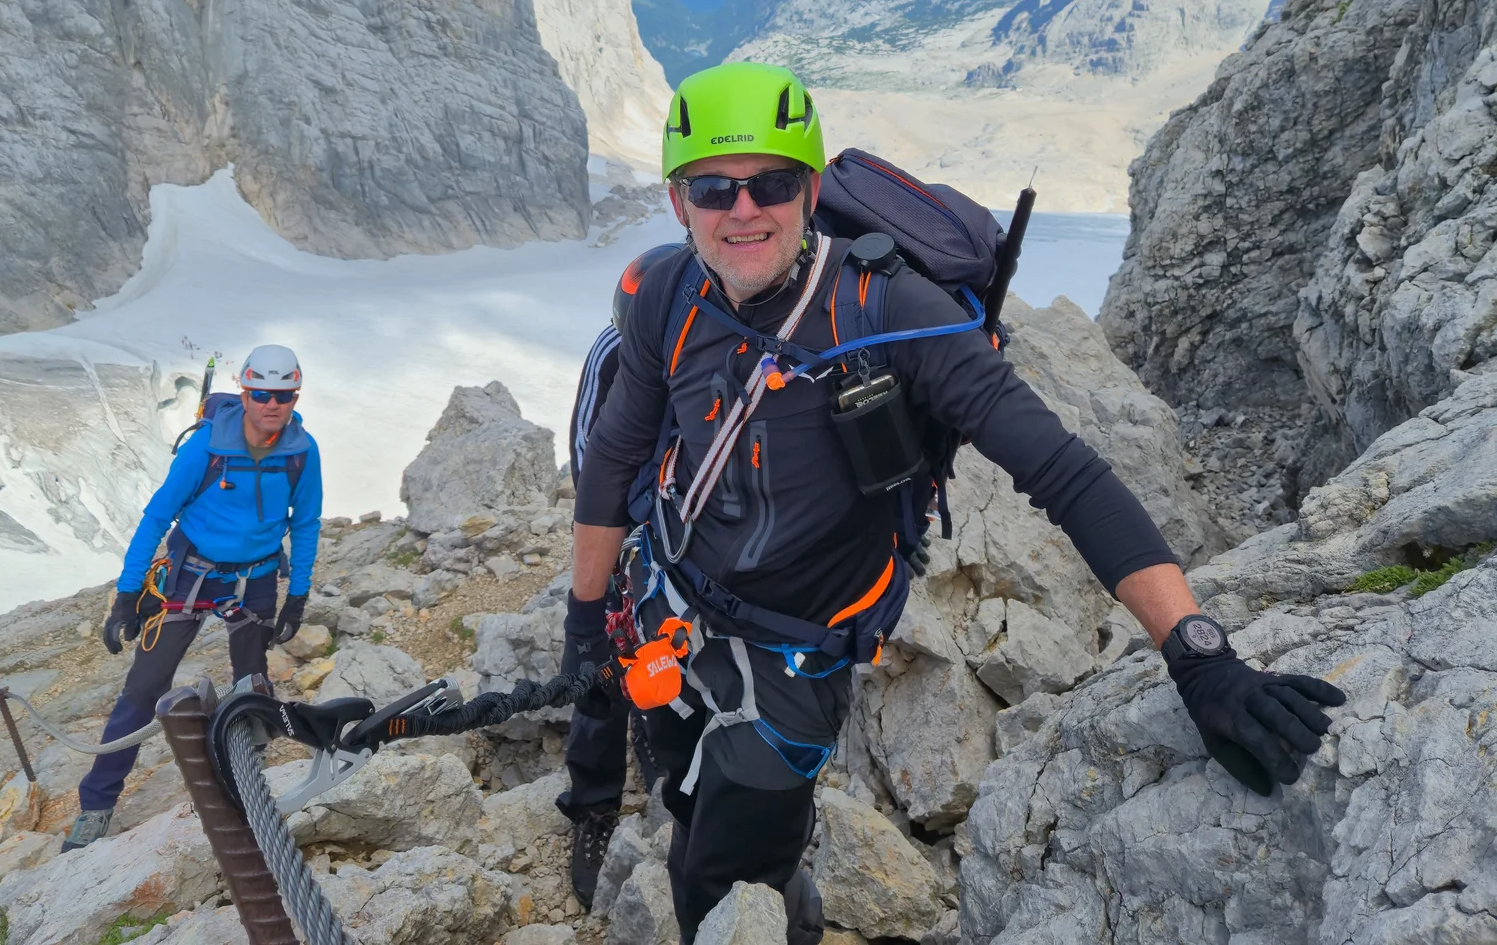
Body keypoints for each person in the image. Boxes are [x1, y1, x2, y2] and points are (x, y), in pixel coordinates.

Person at [564, 62, 1346, 945]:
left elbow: (1066, 473)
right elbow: (615, 458)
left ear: (810, 190)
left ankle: (790, 902)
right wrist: (585, 617)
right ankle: (604, 805)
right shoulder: (669, 294)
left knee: (721, 875)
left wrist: (1199, 654)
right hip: (669, 597)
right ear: (679, 204)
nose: (743, 210)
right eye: (713, 188)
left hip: (791, 657)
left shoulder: (896, 315)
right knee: (677, 785)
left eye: (771, 183)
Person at [62, 344, 323, 852]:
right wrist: (127, 593)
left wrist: (298, 594)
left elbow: (307, 522)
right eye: (263, 393)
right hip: (191, 575)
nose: (273, 404)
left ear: (295, 395)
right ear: (246, 392)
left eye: (284, 395)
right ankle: (96, 805)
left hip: (257, 578)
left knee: (250, 687)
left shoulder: (302, 451)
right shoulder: (205, 447)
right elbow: (157, 517)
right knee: (144, 687)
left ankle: (248, 786)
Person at [557, 243, 681, 908]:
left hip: (676, 534)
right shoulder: (612, 356)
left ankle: (662, 756)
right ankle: (593, 808)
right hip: (624, 532)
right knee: (599, 664)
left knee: (670, 654)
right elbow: (590, 458)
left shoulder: (703, 345)